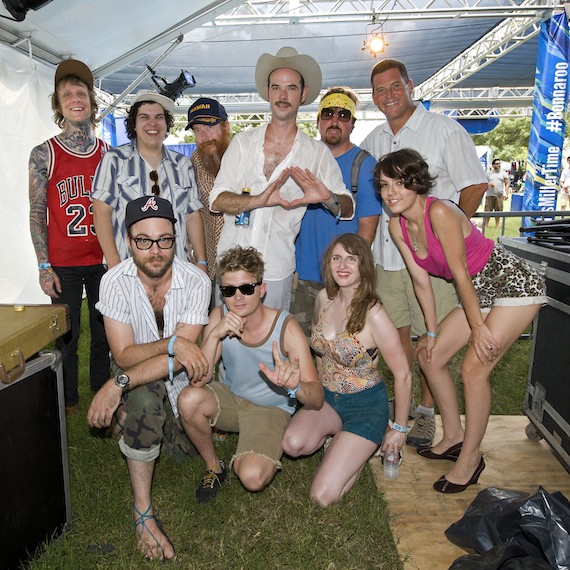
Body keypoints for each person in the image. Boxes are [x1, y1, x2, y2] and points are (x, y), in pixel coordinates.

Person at [375, 148, 546, 493]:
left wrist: (479, 330)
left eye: (400, 183)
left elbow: (460, 274)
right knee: (429, 355)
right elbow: (421, 281)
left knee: (473, 368)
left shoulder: (439, 211)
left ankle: (470, 459)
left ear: (417, 184)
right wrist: (433, 332)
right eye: (383, 185)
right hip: (478, 294)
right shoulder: (396, 226)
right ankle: (452, 436)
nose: (391, 192)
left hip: (513, 286)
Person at [361, 58, 488, 448]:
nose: (388, 95)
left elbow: (475, 186)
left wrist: (442, 240)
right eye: (380, 90)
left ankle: (428, 415)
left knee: (433, 343)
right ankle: (404, 409)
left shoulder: (444, 130)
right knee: (399, 340)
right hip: (389, 257)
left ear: (410, 85)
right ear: (374, 96)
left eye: (395, 86)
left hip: (435, 264)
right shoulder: (373, 141)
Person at [87, 195, 211, 560]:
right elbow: (124, 355)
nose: (155, 250)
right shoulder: (113, 281)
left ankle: (123, 419)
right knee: (144, 402)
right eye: (144, 240)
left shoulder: (197, 281)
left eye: (164, 240)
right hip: (135, 370)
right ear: (128, 241)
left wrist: (116, 386)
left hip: (180, 380)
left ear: (176, 239)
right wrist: (172, 344)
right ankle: (143, 513)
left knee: (182, 455)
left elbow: (183, 360)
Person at [209, 46, 354, 311]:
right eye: (276, 87)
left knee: (272, 345)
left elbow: (347, 207)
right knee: (225, 344)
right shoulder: (242, 143)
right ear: (267, 92)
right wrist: (256, 201)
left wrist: (327, 198)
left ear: (304, 94)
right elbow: (216, 200)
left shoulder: (316, 153)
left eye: (291, 88)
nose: (283, 95)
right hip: (230, 266)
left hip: (275, 270)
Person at [177, 245, 324, 503]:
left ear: (262, 289)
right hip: (232, 399)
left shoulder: (286, 327)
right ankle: (214, 467)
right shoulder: (218, 317)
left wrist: (295, 386)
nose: (238, 297)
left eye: (247, 288)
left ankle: (252, 449)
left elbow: (317, 398)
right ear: (221, 293)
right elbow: (198, 381)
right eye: (229, 290)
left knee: (252, 478)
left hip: (270, 409)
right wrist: (214, 334)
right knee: (189, 399)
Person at [282, 234, 412, 506]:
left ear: (363, 266)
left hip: (365, 405)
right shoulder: (323, 299)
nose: (342, 265)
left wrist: (399, 429)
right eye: (336, 258)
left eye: (351, 259)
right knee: (292, 445)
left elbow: (403, 374)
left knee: (321, 497)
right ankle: (343, 442)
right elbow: (320, 352)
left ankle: (361, 447)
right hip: (328, 399)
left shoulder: (374, 314)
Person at [28, 59, 110, 414]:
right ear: (58, 105)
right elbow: (36, 213)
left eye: (81, 93)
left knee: (104, 332)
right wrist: (44, 265)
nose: (75, 99)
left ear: (92, 102)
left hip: (103, 260)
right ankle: (68, 398)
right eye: (67, 94)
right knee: (67, 335)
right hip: (63, 262)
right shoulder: (43, 153)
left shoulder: (108, 153)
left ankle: (103, 389)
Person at [291, 87, 382, 336]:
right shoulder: (302, 159)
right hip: (303, 276)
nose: (334, 121)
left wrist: (351, 277)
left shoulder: (363, 164)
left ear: (352, 123)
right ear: (318, 120)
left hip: (343, 278)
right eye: (328, 113)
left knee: (344, 348)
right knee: (300, 350)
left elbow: (367, 228)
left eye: (343, 115)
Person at [92, 90, 206, 271]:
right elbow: (100, 213)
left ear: (167, 124)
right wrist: (115, 265)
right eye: (144, 117)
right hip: (129, 270)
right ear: (134, 125)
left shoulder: (183, 164)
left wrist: (201, 261)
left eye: (159, 117)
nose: (153, 123)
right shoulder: (114, 160)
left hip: (177, 270)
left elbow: (192, 215)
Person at [186, 97, 231, 282]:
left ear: (226, 126)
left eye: (210, 126)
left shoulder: (245, 154)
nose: (204, 136)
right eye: (198, 130)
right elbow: (191, 209)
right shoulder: (195, 160)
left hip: (245, 263)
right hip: (211, 265)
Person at [485, 159, 510, 228]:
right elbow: (483, 184)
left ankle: (497, 225)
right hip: (489, 195)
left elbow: (507, 184)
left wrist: (507, 194)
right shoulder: (488, 174)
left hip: (499, 195)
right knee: (488, 210)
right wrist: (489, 184)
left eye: (499, 164)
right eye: (497, 164)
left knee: (498, 210)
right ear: (492, 165)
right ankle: (486, 225)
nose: (498, 165)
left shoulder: (503, 173)